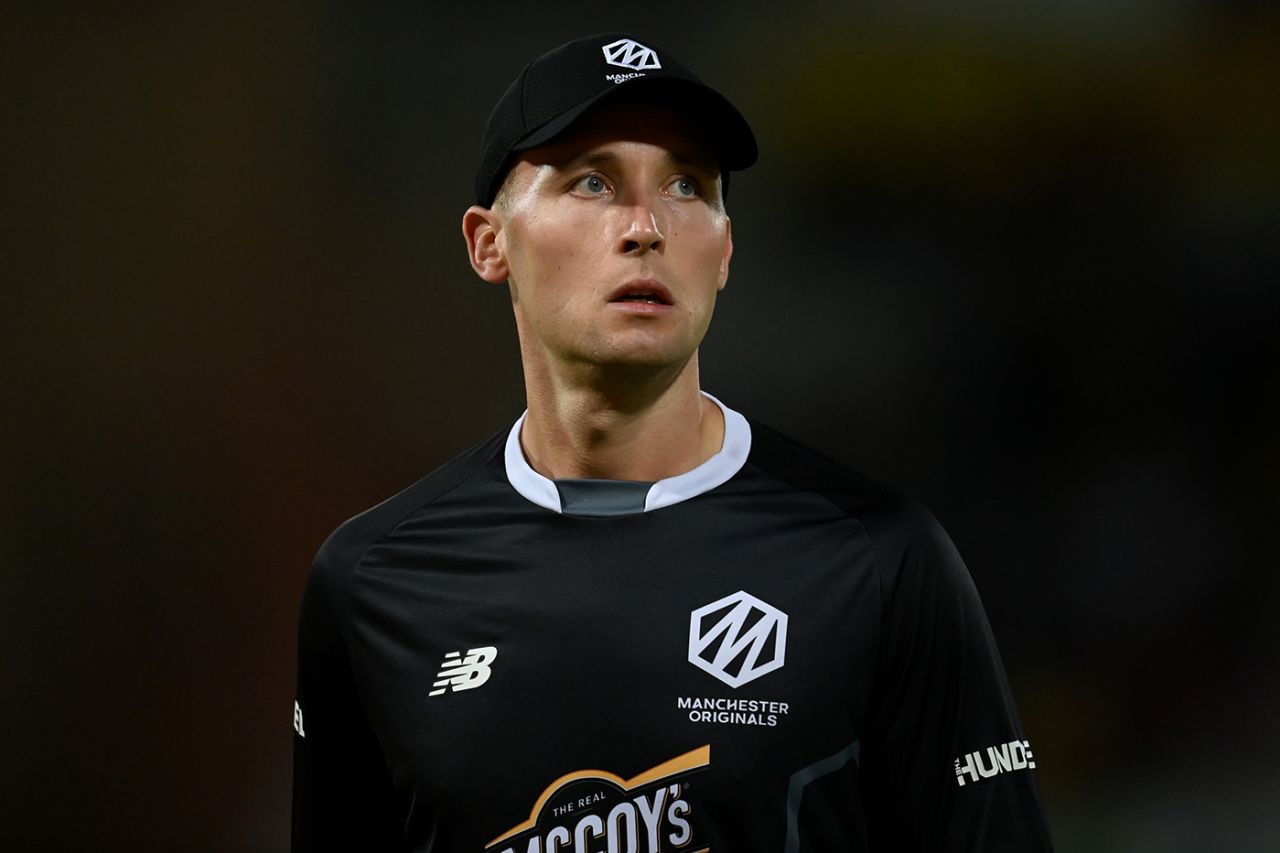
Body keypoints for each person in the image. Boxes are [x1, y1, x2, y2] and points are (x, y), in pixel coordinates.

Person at [292, 32, 1054, 853]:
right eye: (592, 180)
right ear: (489, 244)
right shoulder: (372, 583)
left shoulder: (878, 558)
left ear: (723, 252)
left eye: (687, 184)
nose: (646, 226)